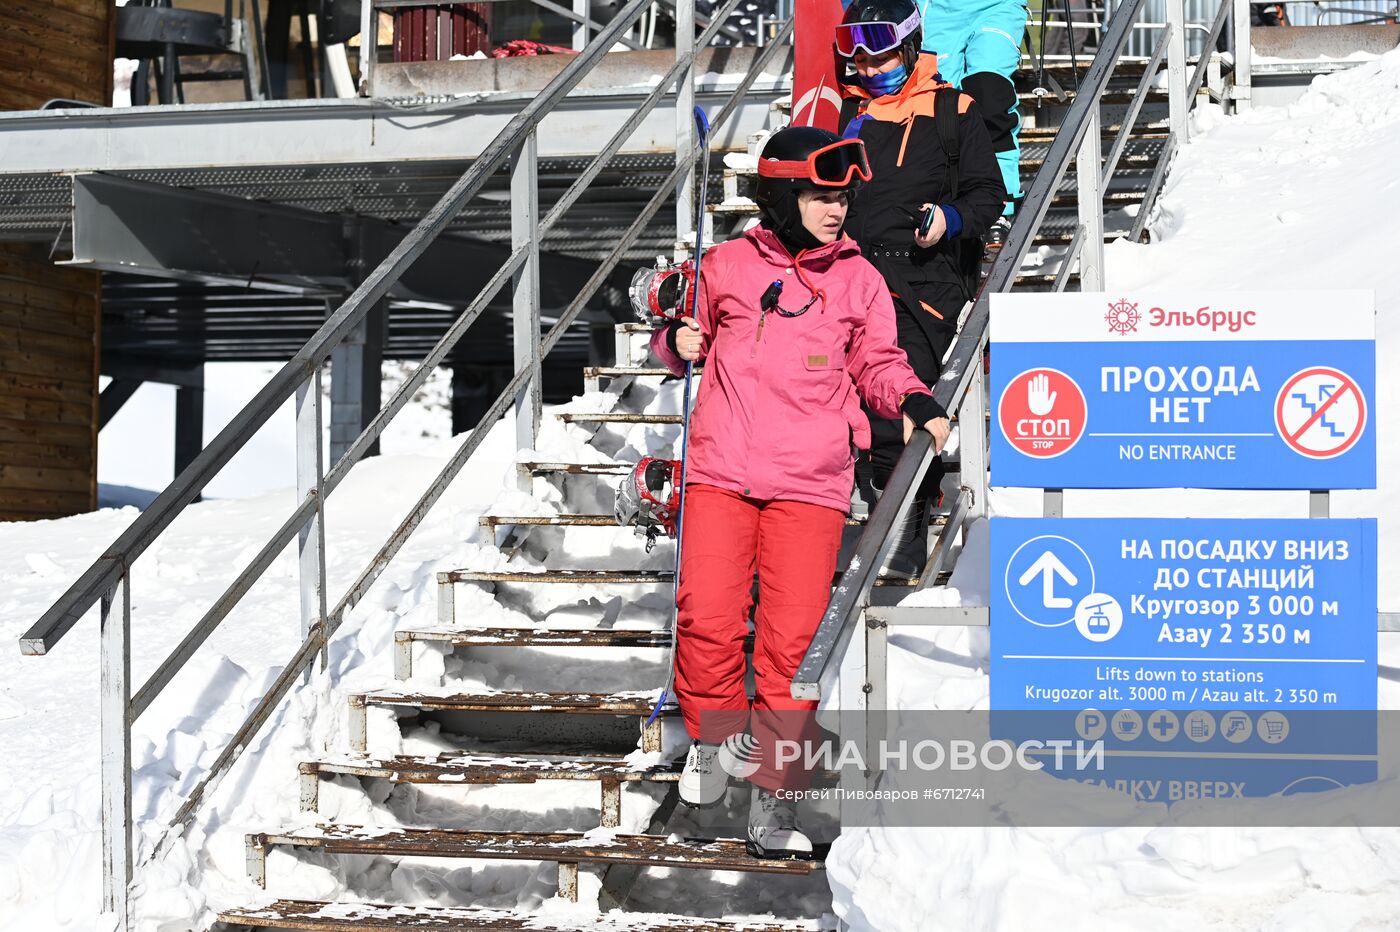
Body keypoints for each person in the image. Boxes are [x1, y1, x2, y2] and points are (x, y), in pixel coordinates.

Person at [648, 126, 951, 857]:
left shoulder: (858, 280)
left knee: (793, 648)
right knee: (707, 618)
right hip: (721, 471)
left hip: (810, 484)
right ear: (783, 194)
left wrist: (911, 400)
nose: (834, 209)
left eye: (842, 196)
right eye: (818, 194)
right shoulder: (725, 264)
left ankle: (776, 800)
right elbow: (673, 332)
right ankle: (714, 742)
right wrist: (675, 342)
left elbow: (879, 360)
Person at [834, 0, 1006, 574]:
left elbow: (988, 193)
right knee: (849, 400)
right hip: (853, 276)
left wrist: (949, 221)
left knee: (901, 402)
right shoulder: (852, 117)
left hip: (921, 278)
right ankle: (874, 515)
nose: (864, 64)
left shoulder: (954, 111)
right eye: (854, 53)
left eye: (877, 51)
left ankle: (901, 533)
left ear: (908, 46)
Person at [911, 0, 1027, 245]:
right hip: (939, 10)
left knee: (989, 88)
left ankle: (999, 201)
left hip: (998, 6)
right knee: (938, 100)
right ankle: (947, 199)